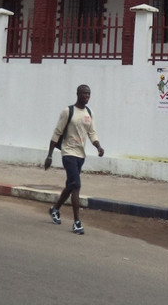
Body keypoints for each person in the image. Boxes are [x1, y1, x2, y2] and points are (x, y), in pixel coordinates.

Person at [43, 84, 104, 235]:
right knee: (76, 185)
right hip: (68, 153)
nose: (87, 96)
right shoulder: (68, 111)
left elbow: (92, 133)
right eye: (84, 94)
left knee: (70, 185)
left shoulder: (89, 113)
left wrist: (98, 147)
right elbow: (57, 133)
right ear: (78, 94)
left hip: (80, 156)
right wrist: (49, 155)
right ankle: (77, 222)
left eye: (89, 94)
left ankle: (55, 209)